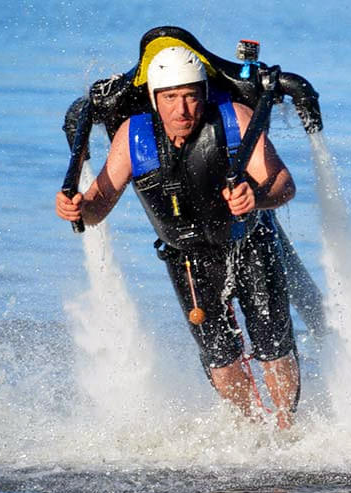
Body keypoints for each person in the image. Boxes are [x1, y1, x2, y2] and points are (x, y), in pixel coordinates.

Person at [55, 46, 300, 429]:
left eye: (190, 96)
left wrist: (258, 198)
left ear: (203, 94)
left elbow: (284, 185)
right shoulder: (133, 137)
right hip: (188, 262)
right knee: (220, 358)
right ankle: (250, 429)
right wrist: (78, 208)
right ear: (155, 99)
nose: (181, 109)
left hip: (249, 244)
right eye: (170, 98)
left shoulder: (234, 118)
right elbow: (98, 207)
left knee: (273, 346)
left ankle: (286, 429)